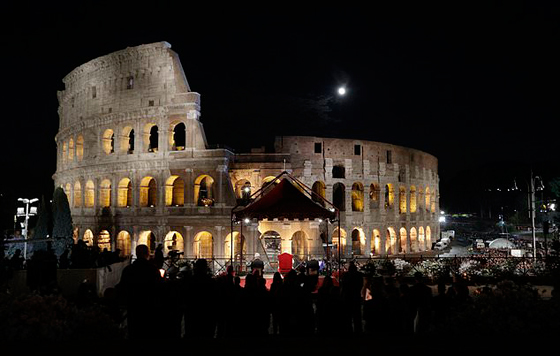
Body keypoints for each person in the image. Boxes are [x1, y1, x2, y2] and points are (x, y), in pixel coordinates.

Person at [116, 244, 163, 340]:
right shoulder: (153, 270)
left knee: (134, 334)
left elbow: (122, 288)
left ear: (136, 254)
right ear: (147, 254)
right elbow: (159, 289)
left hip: (134, 308)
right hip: (150, 308)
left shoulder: (128, 270)